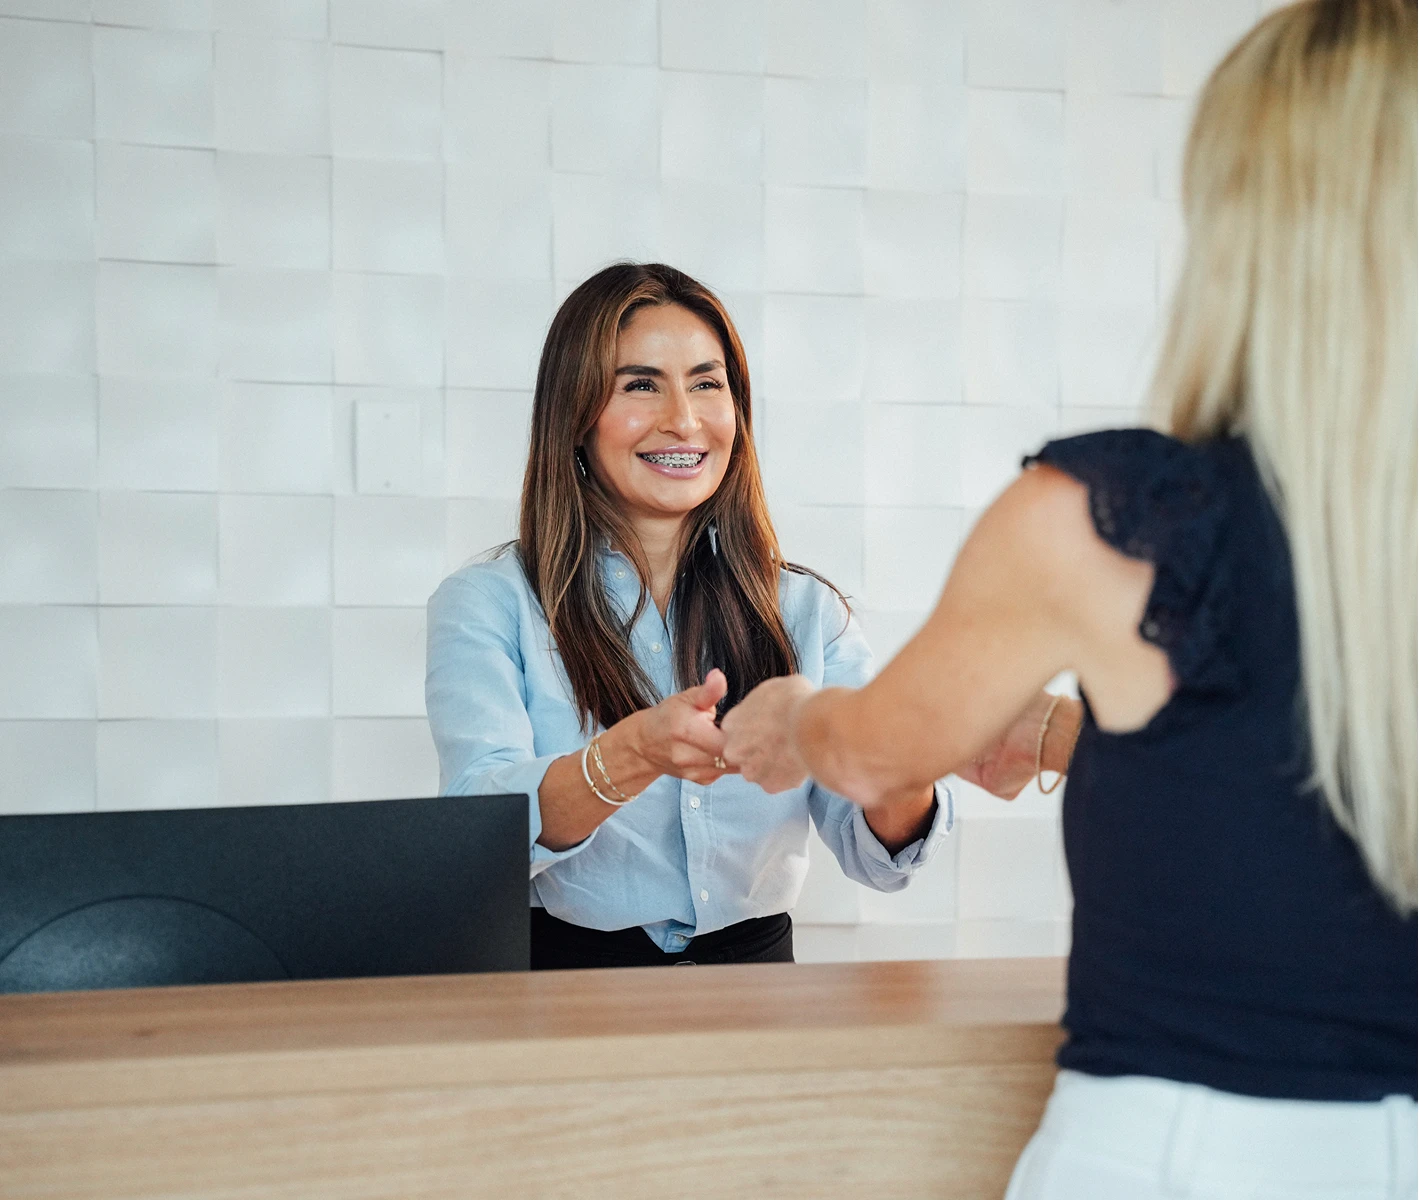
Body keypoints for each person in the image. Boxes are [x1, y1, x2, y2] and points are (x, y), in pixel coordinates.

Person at [721, 1, 1418, 1196]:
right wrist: (1053, 728)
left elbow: (879, 755)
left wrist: (796, 719)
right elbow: (1299, 751)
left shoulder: (1114, 520)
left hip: (1179, 1147)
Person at [426, 262, 956, 970]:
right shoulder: (489, 602)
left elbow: (880, 857)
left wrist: (900, 760)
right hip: (559, 991)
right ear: (573, 414)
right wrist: (628, 755)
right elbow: (476, 830)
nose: (683, 418)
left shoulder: (804, 611)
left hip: (757, 993)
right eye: (639, 384)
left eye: (707, 383)